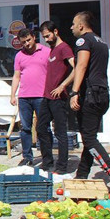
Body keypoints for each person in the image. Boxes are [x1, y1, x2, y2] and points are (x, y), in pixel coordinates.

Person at [70, 11, 110, 192]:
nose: (71, 27)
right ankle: (81, 175)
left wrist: (74, 92)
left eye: (73, 24)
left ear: (81, 25)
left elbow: (81, 65)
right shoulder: (101, 41)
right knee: (90, 137)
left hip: (90, 94)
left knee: (88, 137)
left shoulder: (84, 41)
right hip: (102, 94)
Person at [10, 28, 51, 166]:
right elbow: (16, 76)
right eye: (23, 42)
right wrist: (13, 95)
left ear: (34, 37)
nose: (27, 44)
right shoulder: (19, 55)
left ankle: (47, 157)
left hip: (41, 96)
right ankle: (27, 157)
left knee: (44, 128)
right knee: (25, 128)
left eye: (28, 40)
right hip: (24, 96)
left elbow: (53, 72)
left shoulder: (46, 51)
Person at [38, 21, 75, 174]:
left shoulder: (64, 48)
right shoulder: (52, 50)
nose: (46, 39)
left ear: (56, 31)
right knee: (40, 128)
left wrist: (63, 86)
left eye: (47, 36)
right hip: (47, 96)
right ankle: (47, 162)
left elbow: (76, 67)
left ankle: (61, 167)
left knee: (60, 132)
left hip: (59, 98)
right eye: (44, 37)